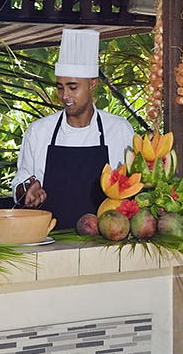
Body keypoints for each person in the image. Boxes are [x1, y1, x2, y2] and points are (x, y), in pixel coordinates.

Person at [13, 29, 136, 237]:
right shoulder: (39, 131)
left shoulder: (119, 129)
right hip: (49, 240)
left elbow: (132, 185)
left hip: (106, 241)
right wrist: (26, 190)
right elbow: (21, 180)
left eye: (73, 87)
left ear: (93, 85)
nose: (65, 96)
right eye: (60, 88)